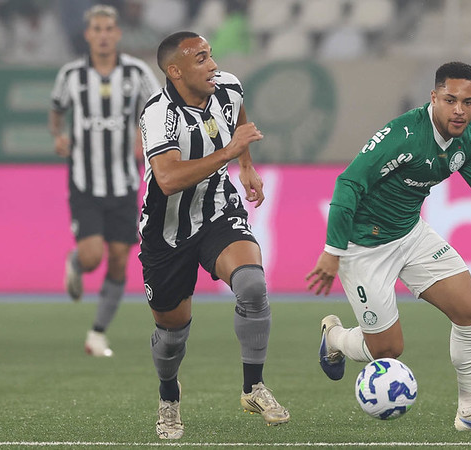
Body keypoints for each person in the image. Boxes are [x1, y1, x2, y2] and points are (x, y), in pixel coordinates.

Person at [306, 62, 471, 432]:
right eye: (451, 100)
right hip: (362, 245)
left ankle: (470, 412)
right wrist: (333, 251)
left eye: (468, 102)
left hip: (410, 235)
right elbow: (349, 184)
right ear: (434, 97)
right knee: (387, 351)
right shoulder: (404, 133)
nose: (460, 110)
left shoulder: (469, 141)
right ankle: (334, 337)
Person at [138, 31, 289, 439]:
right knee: (172, 336)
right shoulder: (159, 114)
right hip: (166, 232)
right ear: (175, 71)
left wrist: (246, 165)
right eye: (201, 59)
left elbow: (238, 117)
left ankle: (253, 387)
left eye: (211, 55)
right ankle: (169, 396)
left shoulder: (228, 88)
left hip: (217, 211)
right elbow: (167, 179)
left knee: (253, 285)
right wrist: (229, 152)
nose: (213, 65)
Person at [49, 4, 160, 357]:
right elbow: (56, 110)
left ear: (117, 34)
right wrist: (59, 136)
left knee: (117, 259)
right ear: (87, 35)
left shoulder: (136, 72)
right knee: (94, 256)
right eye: (96, 29)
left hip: (125, 182)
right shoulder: (71, 75)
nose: (102, 35)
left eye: (108, 29)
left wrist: (144, 136)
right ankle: (76, 261)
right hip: (85, 181)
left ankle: (97, 334)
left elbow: (157, 107)